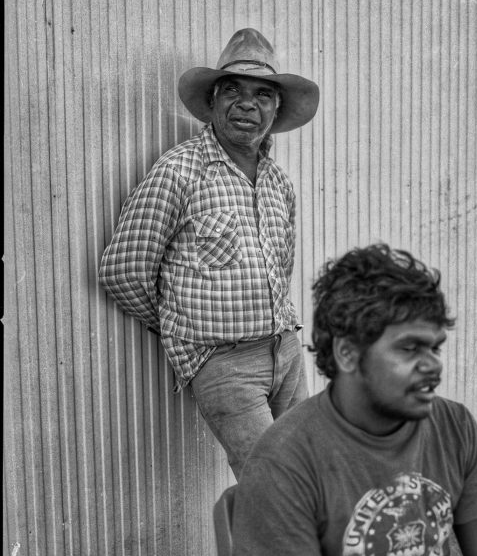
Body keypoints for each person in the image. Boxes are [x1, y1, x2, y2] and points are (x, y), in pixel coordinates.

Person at [231, 243, 477, 556]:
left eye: (435, 348)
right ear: (347, 353)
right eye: (410, 348)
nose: (433, 366)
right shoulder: (283, 465)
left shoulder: (453, 427)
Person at [98, 28, 319, 477]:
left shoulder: (278, 182)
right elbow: (122, 271)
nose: (246, 104)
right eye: (233, 90)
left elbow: (282, 265)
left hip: (286, 350)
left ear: (275, 110)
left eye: (262, 94)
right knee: (273, 488)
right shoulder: (179, 171)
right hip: (225, 364)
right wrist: (185, 329)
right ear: (214, 101)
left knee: (314, 473)